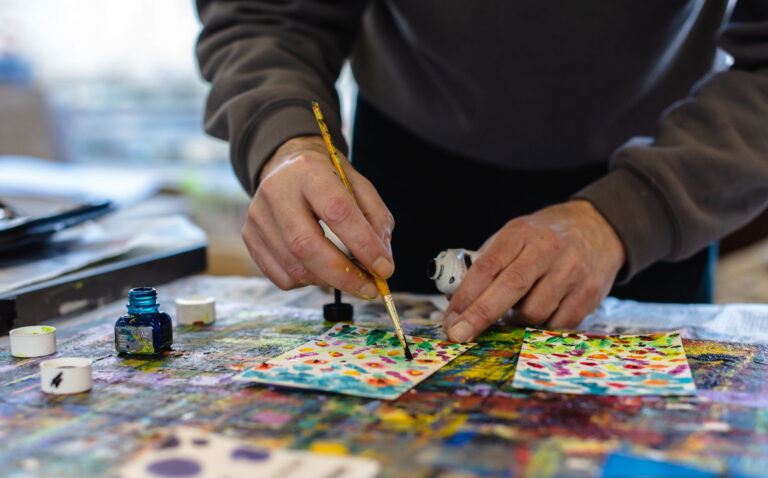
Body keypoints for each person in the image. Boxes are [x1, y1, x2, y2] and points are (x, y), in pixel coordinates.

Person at [195, 1, 768, 343]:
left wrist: (631, 214)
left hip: (665, 177)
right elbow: (268, 14)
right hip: (407, 172)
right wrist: (286, 140)